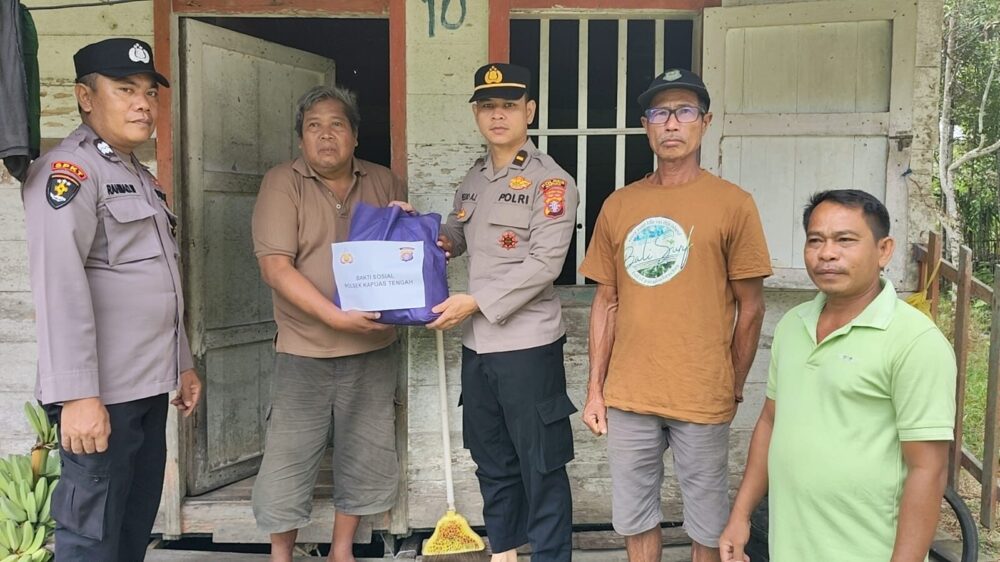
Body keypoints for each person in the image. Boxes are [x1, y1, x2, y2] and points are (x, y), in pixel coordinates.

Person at [578, 68, 772, 562]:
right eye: (659, 113)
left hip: (701, 391)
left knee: (707, 520)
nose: (671, 123)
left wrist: (733, 382)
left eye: (684, 111)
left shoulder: (733, 204)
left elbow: (751, 307)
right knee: (635, 516)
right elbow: (606, 301)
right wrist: (596, 389)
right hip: (629, 394)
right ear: (646, 125)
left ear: (705, 122)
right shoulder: (620, 205)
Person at [21, 37, 202, 561]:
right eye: (125, 90)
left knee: (129, 531)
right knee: (91, 540)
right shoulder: (69, 172)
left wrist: (182, 362)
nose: (142, 104)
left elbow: (159, 278)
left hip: (146, 386)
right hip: (101, 394)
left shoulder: (136, 175)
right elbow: (59, 285)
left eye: (149, 92)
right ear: (85, 96)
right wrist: (77, 395)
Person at [719, 189, 957, 562]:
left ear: (883, 250)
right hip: (790, 548)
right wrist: (740, 515)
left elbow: (928, 469)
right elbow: (770, 422)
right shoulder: (793, 325)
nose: (827, 253)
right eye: (816, 240)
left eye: (845, 240)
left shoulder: (915, 341)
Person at [429, 63, 579, 562]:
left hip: (527, 345)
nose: (498, 115)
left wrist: (475, 302)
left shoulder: (550, 182)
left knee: (541, 464)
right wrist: (421, 232)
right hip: (478, 344)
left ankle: (551, 556)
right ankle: (506, 552)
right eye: (488, 106)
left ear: (529, 112)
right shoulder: (473, 178)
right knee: (490, 456)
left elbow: (545, 264)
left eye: (509, 106)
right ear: (477, 114)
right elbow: (456, 234)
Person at [250, 85, 407, 562]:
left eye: (336, 125)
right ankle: (281, 555)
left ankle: (342, 551)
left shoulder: (383, 180)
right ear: (301, 138)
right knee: (289, 457)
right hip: (304, 349)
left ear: (355, 135)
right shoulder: (283, 182)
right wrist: (336, 317)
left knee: (364, 452)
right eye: (313, 126)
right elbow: (276, 268)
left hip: (372, 347)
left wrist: (410, 226)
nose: (325, 135)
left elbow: (401, 259)